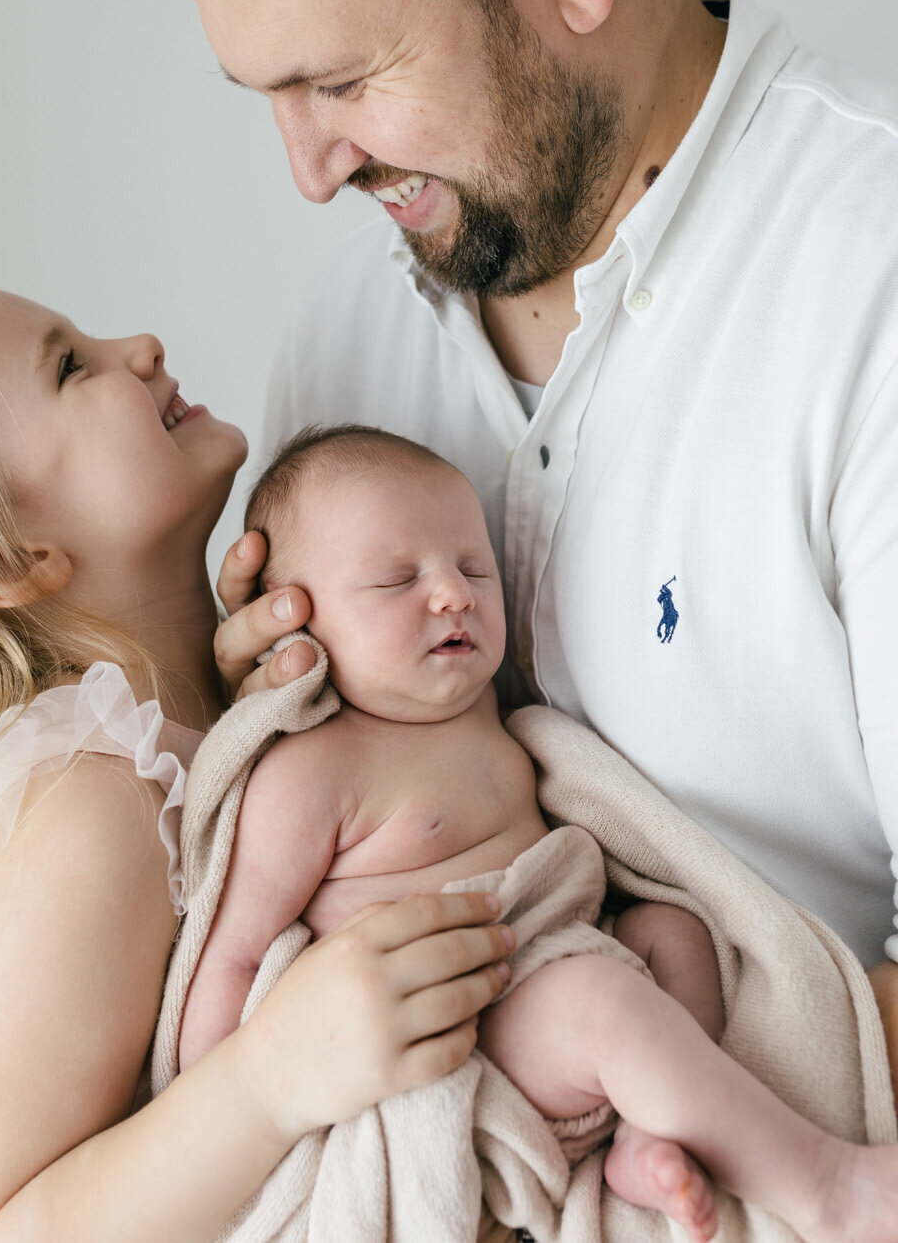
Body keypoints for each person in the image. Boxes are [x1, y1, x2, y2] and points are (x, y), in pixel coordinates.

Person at [124, 0, 898, 1081]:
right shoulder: (345, 342)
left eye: (343, 80)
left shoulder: (869, 276)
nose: (311, 174)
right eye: (271, 99)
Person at [0, 283, 513, 1243]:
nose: (138, 344)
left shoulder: (236, 717)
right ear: (14, 557)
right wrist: (271, 1076)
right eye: (70, 365)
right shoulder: (88, 804)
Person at [178, 423, 898, 1242]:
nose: (451, 593)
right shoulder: (312, 773)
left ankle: (656, 1133)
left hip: (554, 957)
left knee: (676, 931)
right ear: (291, 622)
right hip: (463, 1028)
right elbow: (232, 949)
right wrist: (217, 1111)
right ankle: (824, 1187)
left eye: (472, 567)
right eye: (395, 579)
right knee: (600, 1005)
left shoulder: (498, 723)